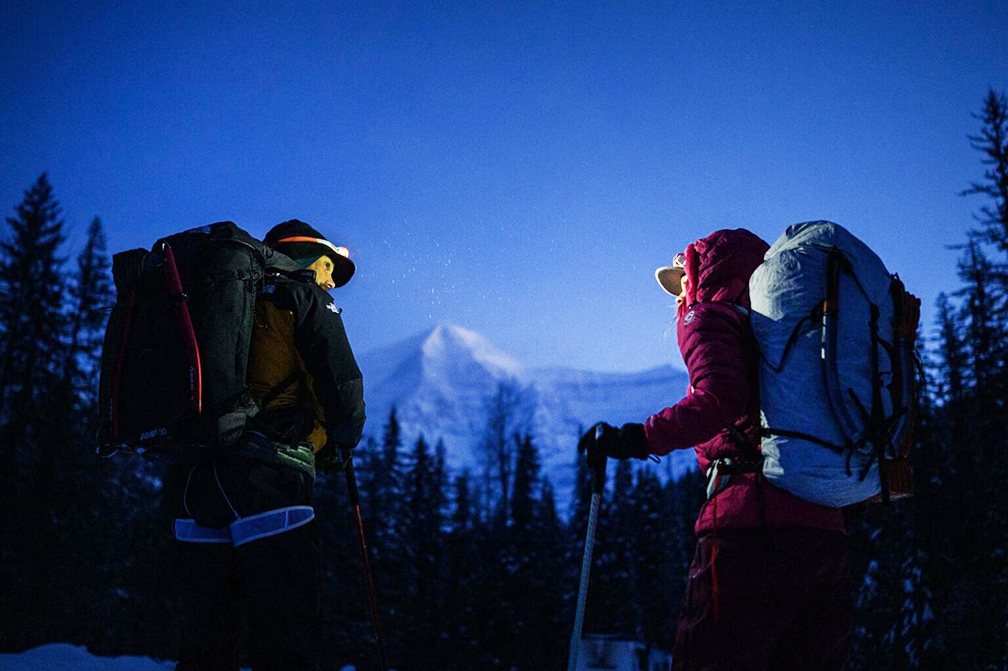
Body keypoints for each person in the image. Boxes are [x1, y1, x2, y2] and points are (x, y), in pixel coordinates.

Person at [579, 228, 851, 671]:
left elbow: (717, 399)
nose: (680, 294)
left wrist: (634, 438)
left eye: (684, 279)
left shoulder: (708, 318)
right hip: (824, 531)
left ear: (706, 272)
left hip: (748, 527)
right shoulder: (788, 331)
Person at [169, 219, 365, 671]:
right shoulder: (303, 297)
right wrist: (340, 442)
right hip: (268, 479)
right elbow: (343, 391)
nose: (332, 279)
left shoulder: (215, 297)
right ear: (304, 255)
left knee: (206, 634)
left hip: (197, 481)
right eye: (328, 265)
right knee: (286, 629)